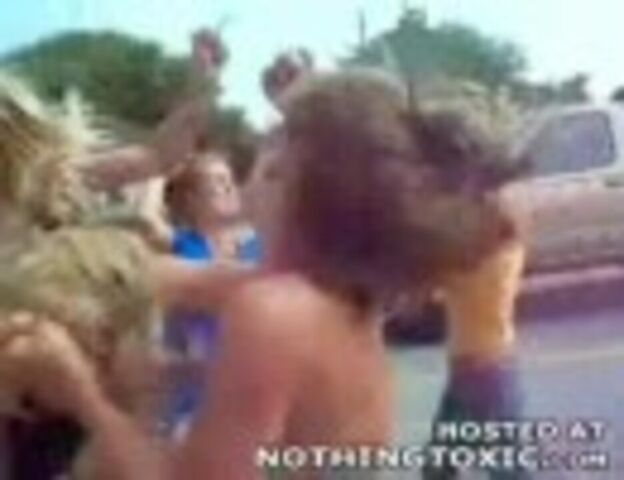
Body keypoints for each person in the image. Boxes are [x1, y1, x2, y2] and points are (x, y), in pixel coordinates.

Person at [0, 69, 522, 479]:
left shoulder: (275, 312)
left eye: (272, 157)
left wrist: (77, 390)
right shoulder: (344, 303)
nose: (252, 171)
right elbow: (164, 275)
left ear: (288, 181)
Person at [148, 150, 262, 440]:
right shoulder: (178, 244)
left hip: (248, 388)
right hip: (189, 388)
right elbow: (145, 218)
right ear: (192, 200)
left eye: (230, 180)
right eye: (217, 182)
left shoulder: (258, 245)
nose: (230, 188)